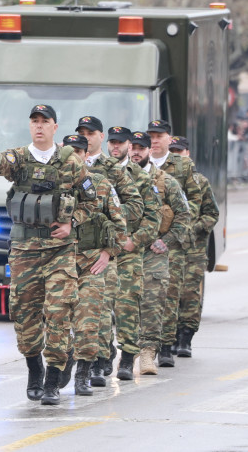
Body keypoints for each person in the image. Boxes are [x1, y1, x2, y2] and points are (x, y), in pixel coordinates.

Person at [0, 104, 97, 405]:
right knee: (24, 314)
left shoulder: (71, 161)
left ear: (55, 127)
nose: (40, 126)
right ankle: (34, 370)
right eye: (35, 121)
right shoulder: (19, 158)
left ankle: (53, 381)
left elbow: (91, 201)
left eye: (45, 121)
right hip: (24, 250)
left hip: (59, 252)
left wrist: (72, 222)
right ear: (30, 126)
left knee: (58, 313)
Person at [60, 130, 127, 395]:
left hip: (91, 263)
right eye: (69, 152)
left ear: (86, 155)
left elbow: (120, 224)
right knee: (58, 322)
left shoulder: (100, 184)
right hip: (59, 264)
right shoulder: (51, 183)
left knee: (88, 321)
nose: (74, 156)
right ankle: (60, 367)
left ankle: (83, 374)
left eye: (79, 151)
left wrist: (108, 253)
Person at [130, 129, 191, 376]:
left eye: (141, 148)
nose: (136, 153)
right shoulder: (118, 178)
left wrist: (168, 240)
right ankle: (123, 354)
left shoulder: (166, 181)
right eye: (132, 148)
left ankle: (148, 354)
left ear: (149, 151)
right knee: (124, 305)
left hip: (154, 252)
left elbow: (184, 214)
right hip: (126, 251)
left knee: (153, 303)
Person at [102, 126, 158, 381]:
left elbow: (152, 218)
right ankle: (102, 354)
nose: (115, 147)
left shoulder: (141, 178)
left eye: (120, 143)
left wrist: (135, 241)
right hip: (101, 249)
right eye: (112, 142)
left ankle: (126, 357)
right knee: (100, 304)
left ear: (129, 145)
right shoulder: (97, 172)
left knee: (126, 303)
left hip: (127, 251)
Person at [158, 128, 219, 360]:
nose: (176, 155)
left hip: (193, 248)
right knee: (170, 292)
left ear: (188, 153)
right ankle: (170, 337)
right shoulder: (162, 179)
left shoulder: (199, 182)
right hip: (171, 247)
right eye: (172, 151)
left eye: (179, 151)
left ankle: (186, 337)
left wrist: (194, 228)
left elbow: (212, 214)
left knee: (190, 293)